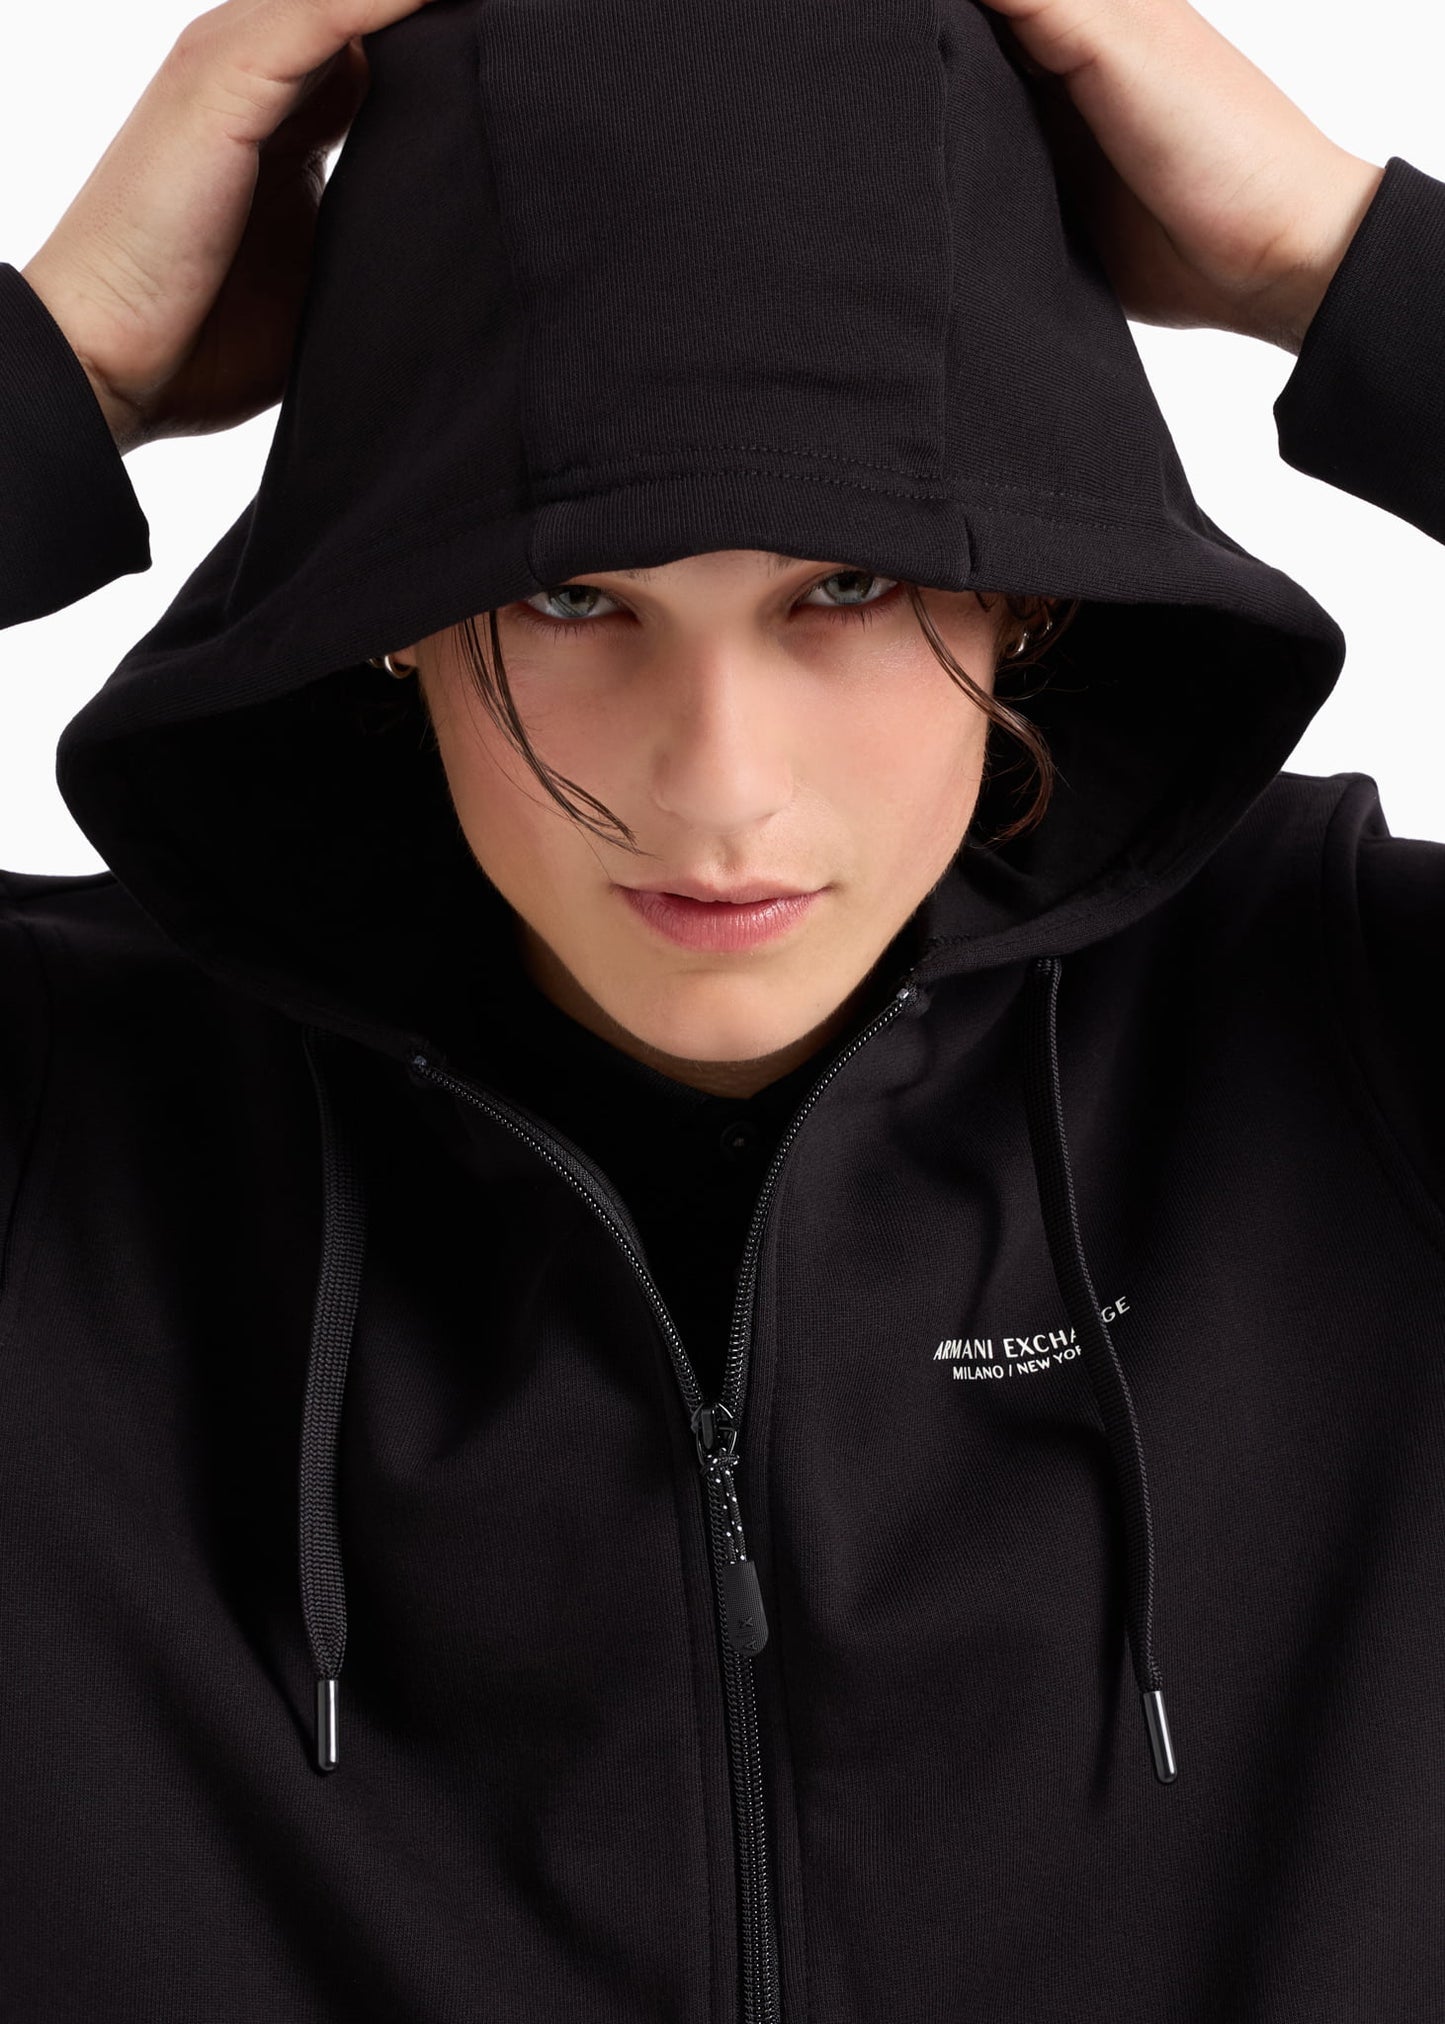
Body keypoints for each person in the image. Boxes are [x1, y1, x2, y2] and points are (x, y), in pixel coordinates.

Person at [1, 0, 1441, 2016]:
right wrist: (58, 370)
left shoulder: (1357, 1042)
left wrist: (1347, 266)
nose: (720, 788)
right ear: (396, 614)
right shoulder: (68, 1126)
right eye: (572, 598)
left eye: (845, 588)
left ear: (1027, 591)